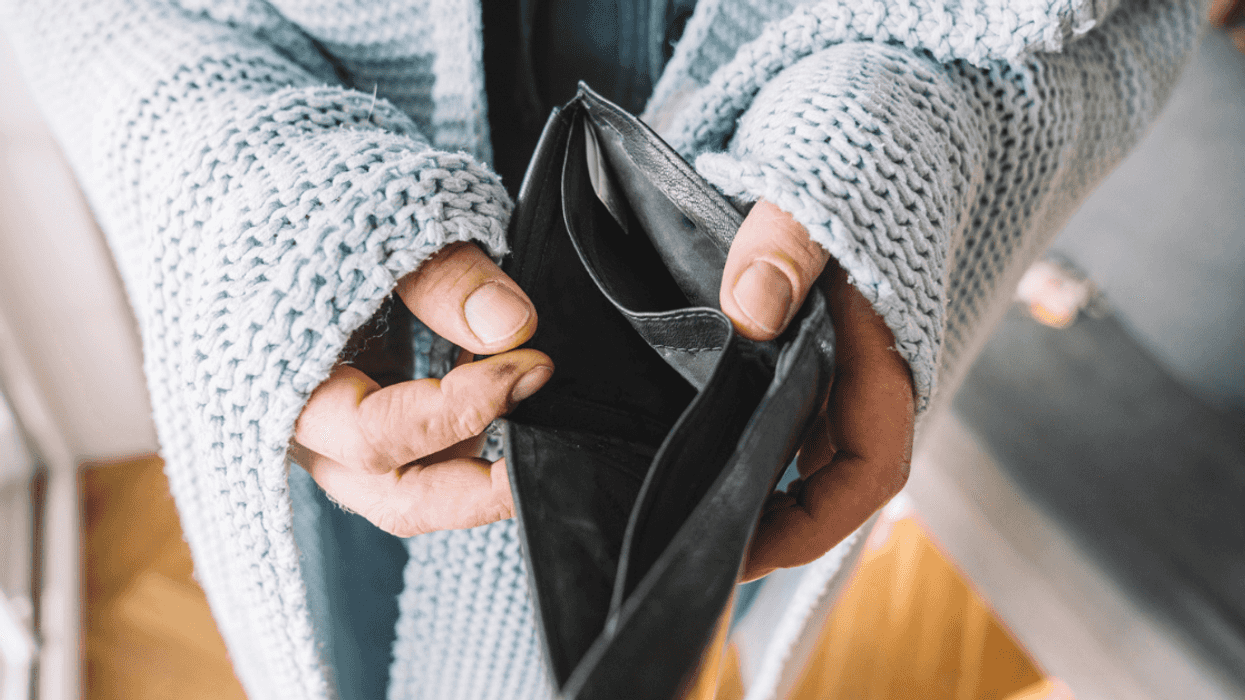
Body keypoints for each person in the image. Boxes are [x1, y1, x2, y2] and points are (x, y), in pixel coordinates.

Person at [0, 0, 1211, 697]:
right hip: (356, 341)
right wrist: (246, 184)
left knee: (668, 608)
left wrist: (914, 132)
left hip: (777, 322)